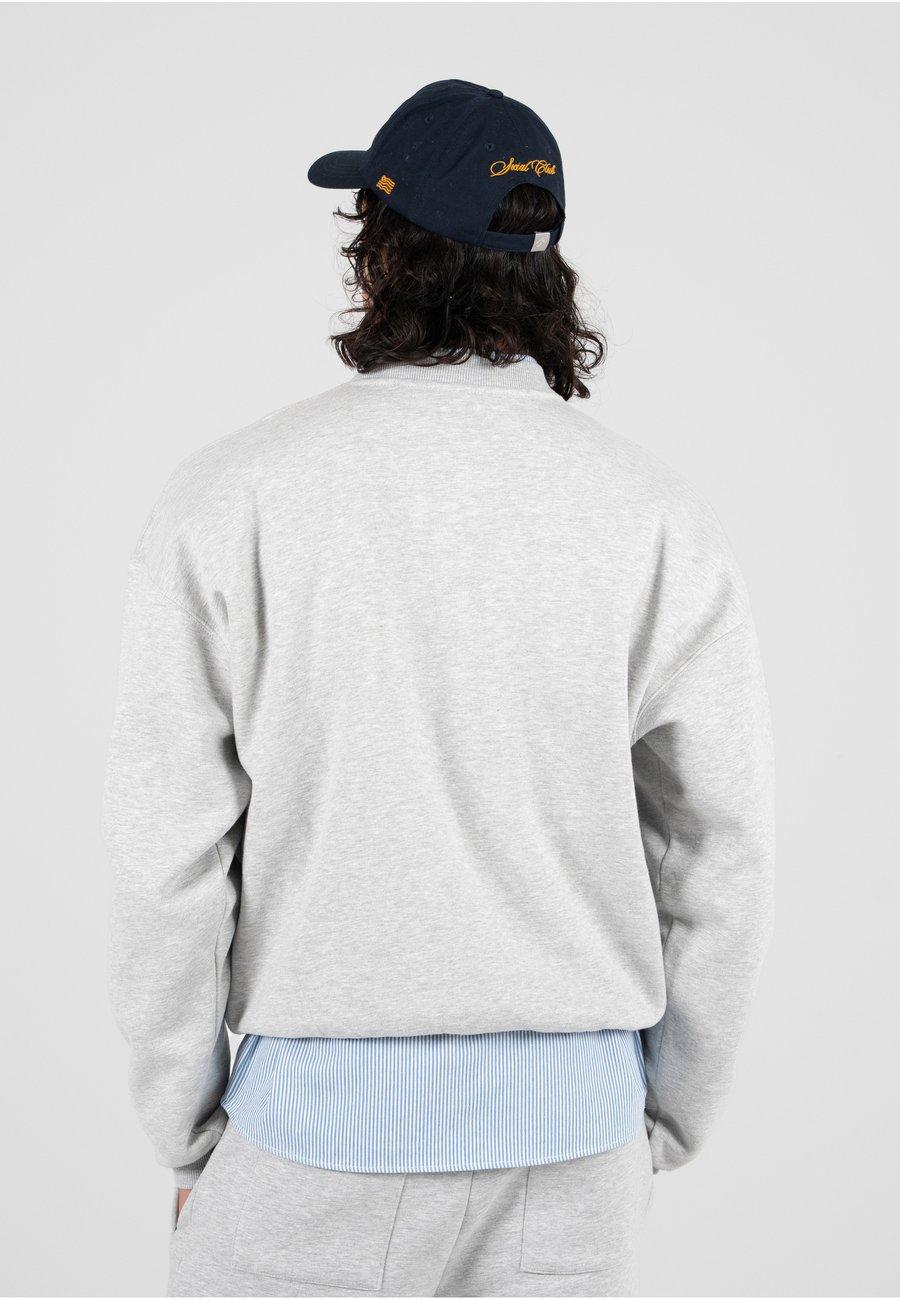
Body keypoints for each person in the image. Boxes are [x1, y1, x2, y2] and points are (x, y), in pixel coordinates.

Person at [103, 79, 775, 1298]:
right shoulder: (655, 516)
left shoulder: (232, 498)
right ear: (544, 267)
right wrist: (664, 1115)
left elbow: (167, 856)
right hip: (577, 1150)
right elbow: (720, 847)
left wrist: (189, 1130)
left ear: (382, 253)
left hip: (309, 1141)